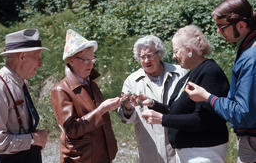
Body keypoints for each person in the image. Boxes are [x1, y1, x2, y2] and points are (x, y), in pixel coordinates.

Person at [140, 25, 229, 163]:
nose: (174, 56)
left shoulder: (210, 73)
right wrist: (153, 104)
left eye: (176, 51)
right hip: (188, 152)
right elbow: (176, 111)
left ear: (189, 51)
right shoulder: (189, 75)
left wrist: (162, 119)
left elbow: (203, 120)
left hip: (203, 151)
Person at [185, 0, 256, 163]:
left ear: (241, 25)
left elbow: (242, 113)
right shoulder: (249, 47)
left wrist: (207, 97)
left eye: (221, 27)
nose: (218, 31)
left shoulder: (251, 56)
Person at [51, 29, 122, 163]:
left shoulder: (91, 84)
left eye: (92, 59)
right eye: (85, 60)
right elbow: (72, 129)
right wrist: (101, 110)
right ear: (71, 60)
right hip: (81, 159)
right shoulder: (60, 90)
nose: (90, 64)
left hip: (101, 156)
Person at [118, 35, 187, 163]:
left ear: (159, 54)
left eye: (149, 55)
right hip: (150, 151)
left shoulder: (180, 74)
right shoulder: (132, 81)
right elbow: (126, 119)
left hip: (180, 148)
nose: (145, 60)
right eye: (141, 57)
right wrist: (127, 107)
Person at [0, 29, 49, 163]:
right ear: (22, 56)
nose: (41, 63)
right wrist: (33, 139)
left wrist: (34, 137)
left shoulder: (21, 83)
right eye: (37, 56)